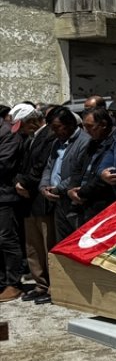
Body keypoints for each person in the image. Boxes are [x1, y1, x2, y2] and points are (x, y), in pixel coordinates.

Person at [13, 104, 55, 295]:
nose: (21, 130)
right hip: (29, 201)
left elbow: (41, 165)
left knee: (47, 244)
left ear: (32, 121)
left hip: (41, 198)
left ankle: (53, 285)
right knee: (33, 246)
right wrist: (19, 183)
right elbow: (21, 165)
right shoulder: (29, 139)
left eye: (23, 125)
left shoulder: (48, 135)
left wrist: (25, 183)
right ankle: (41, 284)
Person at [39, 107, 89, 242]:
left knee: (78, 241)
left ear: (70, 124)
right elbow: (49, 167)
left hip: (74, 202)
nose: (54, 132)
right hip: (58, 201)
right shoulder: (57, 142)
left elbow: (78, 174)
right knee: (62, 242)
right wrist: (44, 187)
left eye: (57, 127)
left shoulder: (84, 142)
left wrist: (58, 188)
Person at [0, 104, 27, 302]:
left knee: (6, 239)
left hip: (5, 196)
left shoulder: (7, 133)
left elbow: (5, 164)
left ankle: (13, 283)